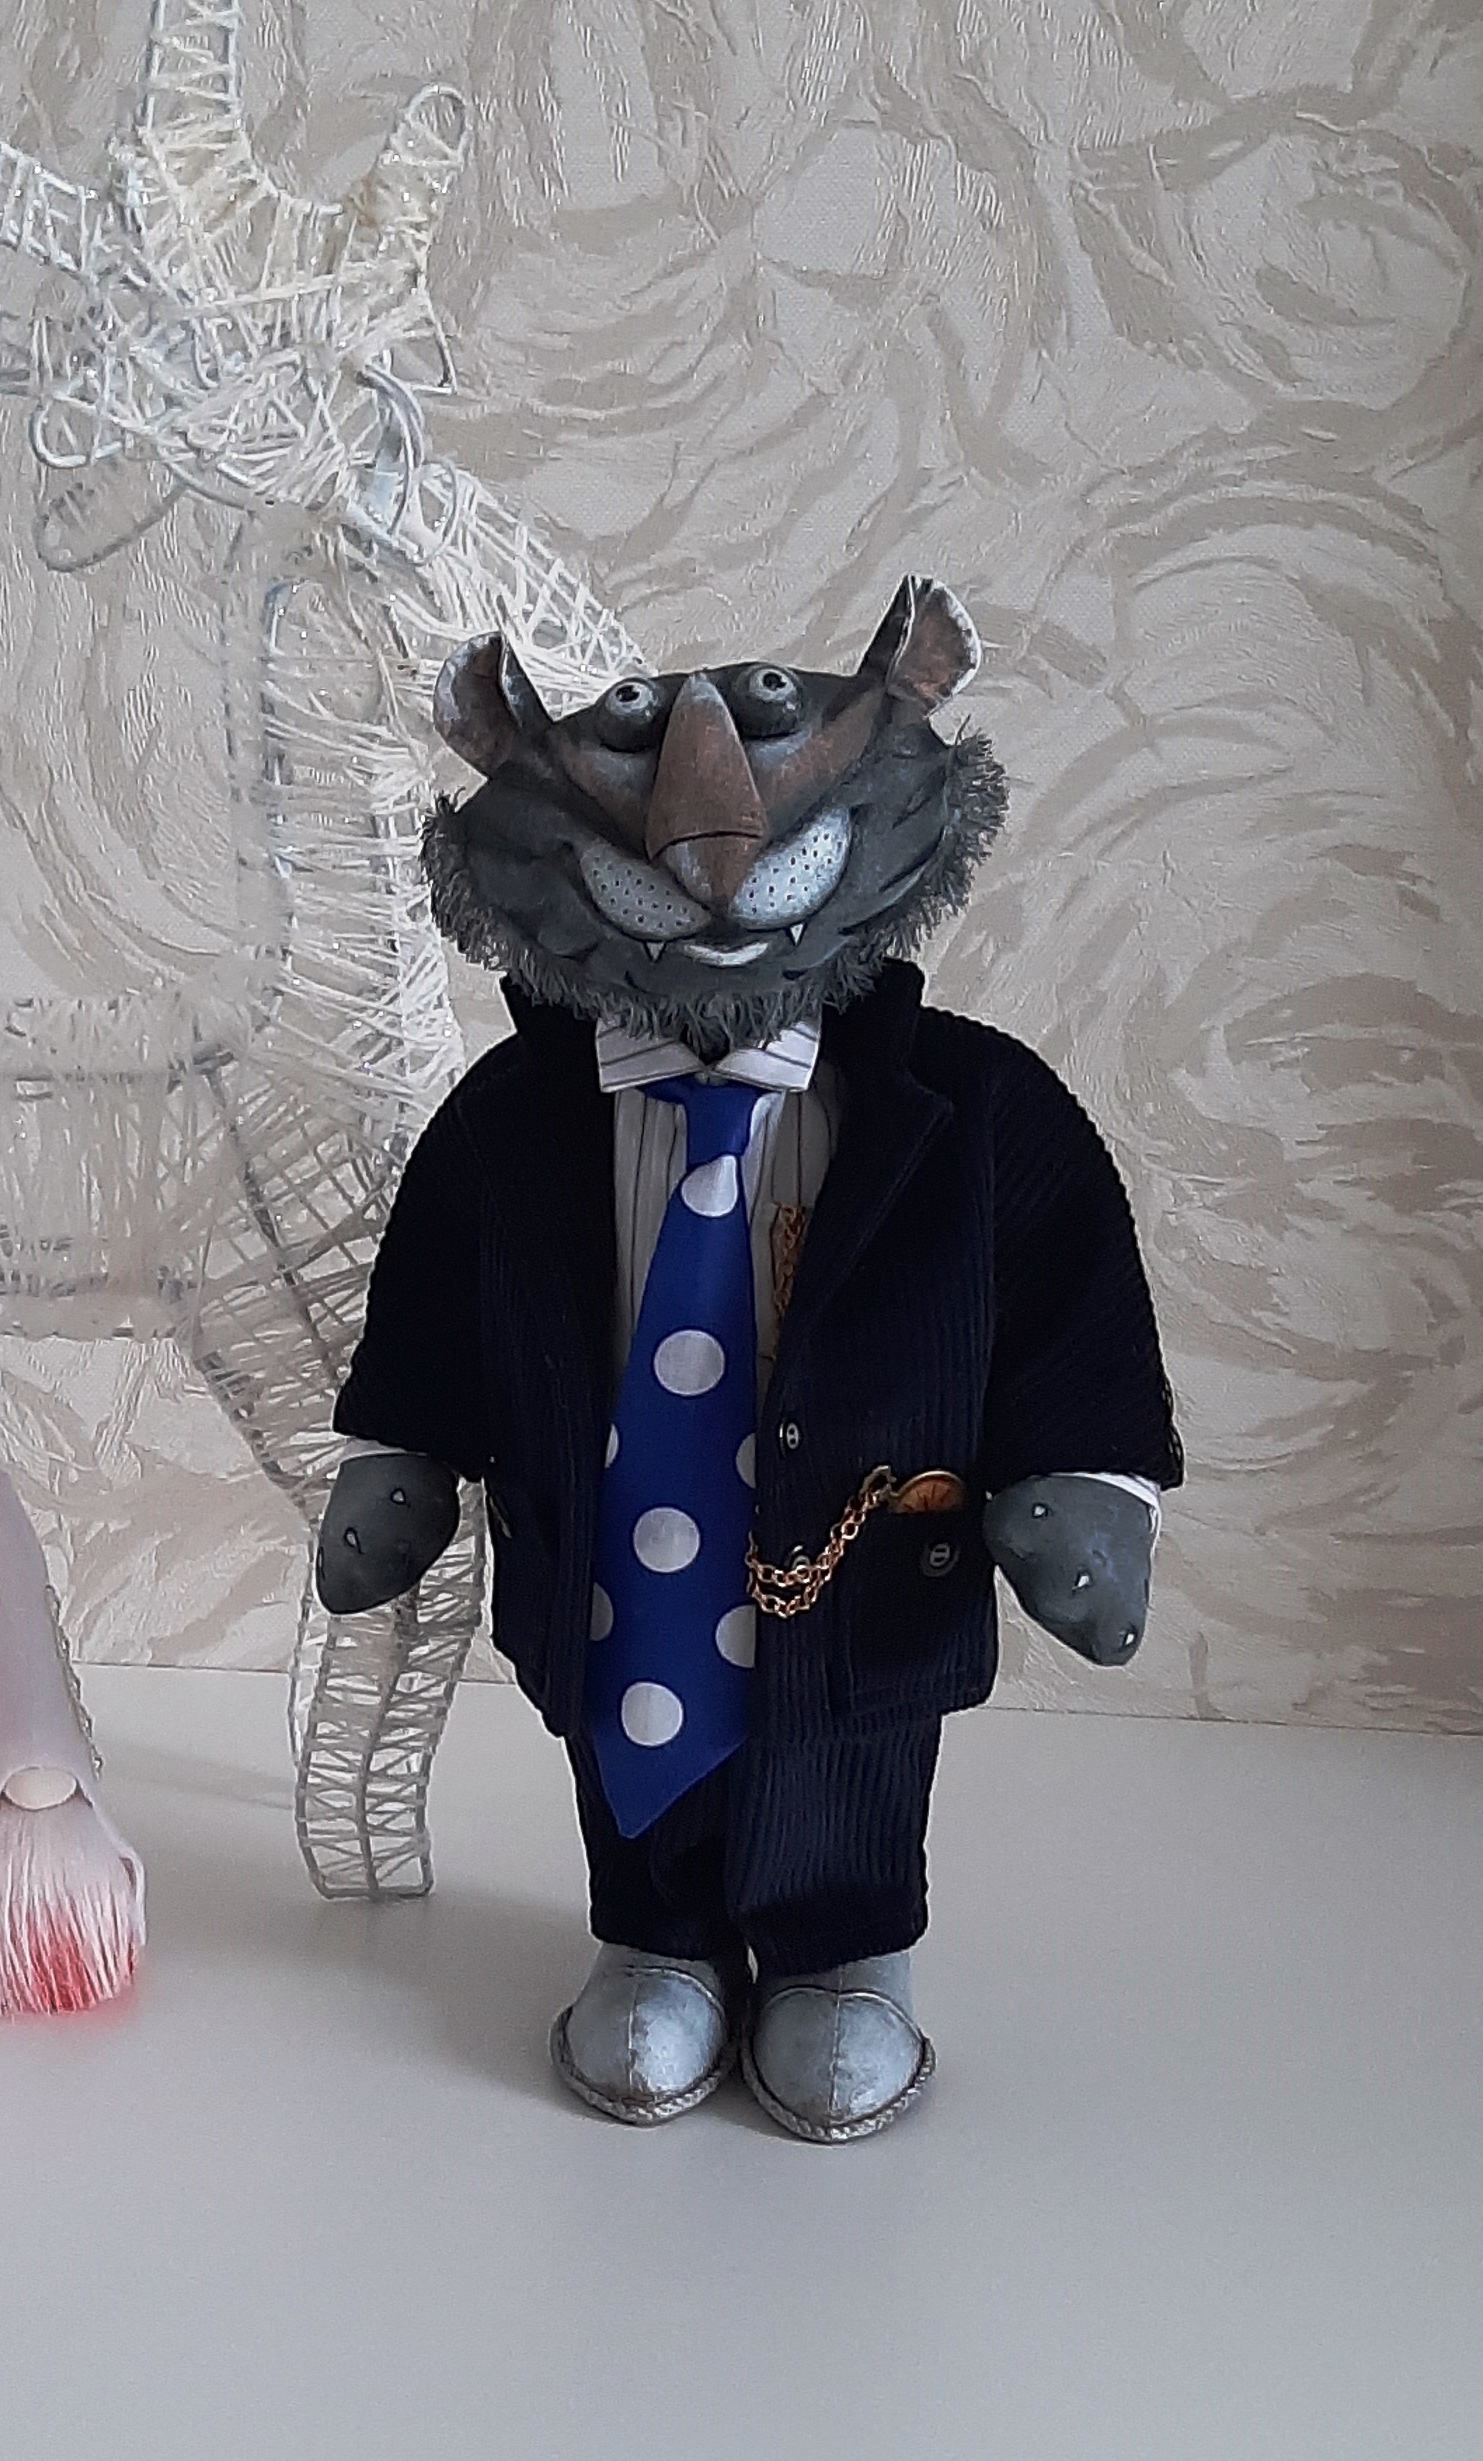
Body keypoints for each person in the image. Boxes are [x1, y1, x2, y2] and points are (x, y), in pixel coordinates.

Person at [318, 581, 1180, 2139]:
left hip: (868, 1558)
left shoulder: (973, 1111)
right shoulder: (513, 1120)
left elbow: (1067, 1282)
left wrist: (1084, 1479)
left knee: (849, 1766)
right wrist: (405, 1454)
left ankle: (841, 1962)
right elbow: (442, 1285)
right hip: (605, 1553)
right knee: (625, 1745)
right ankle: (656, 1939)